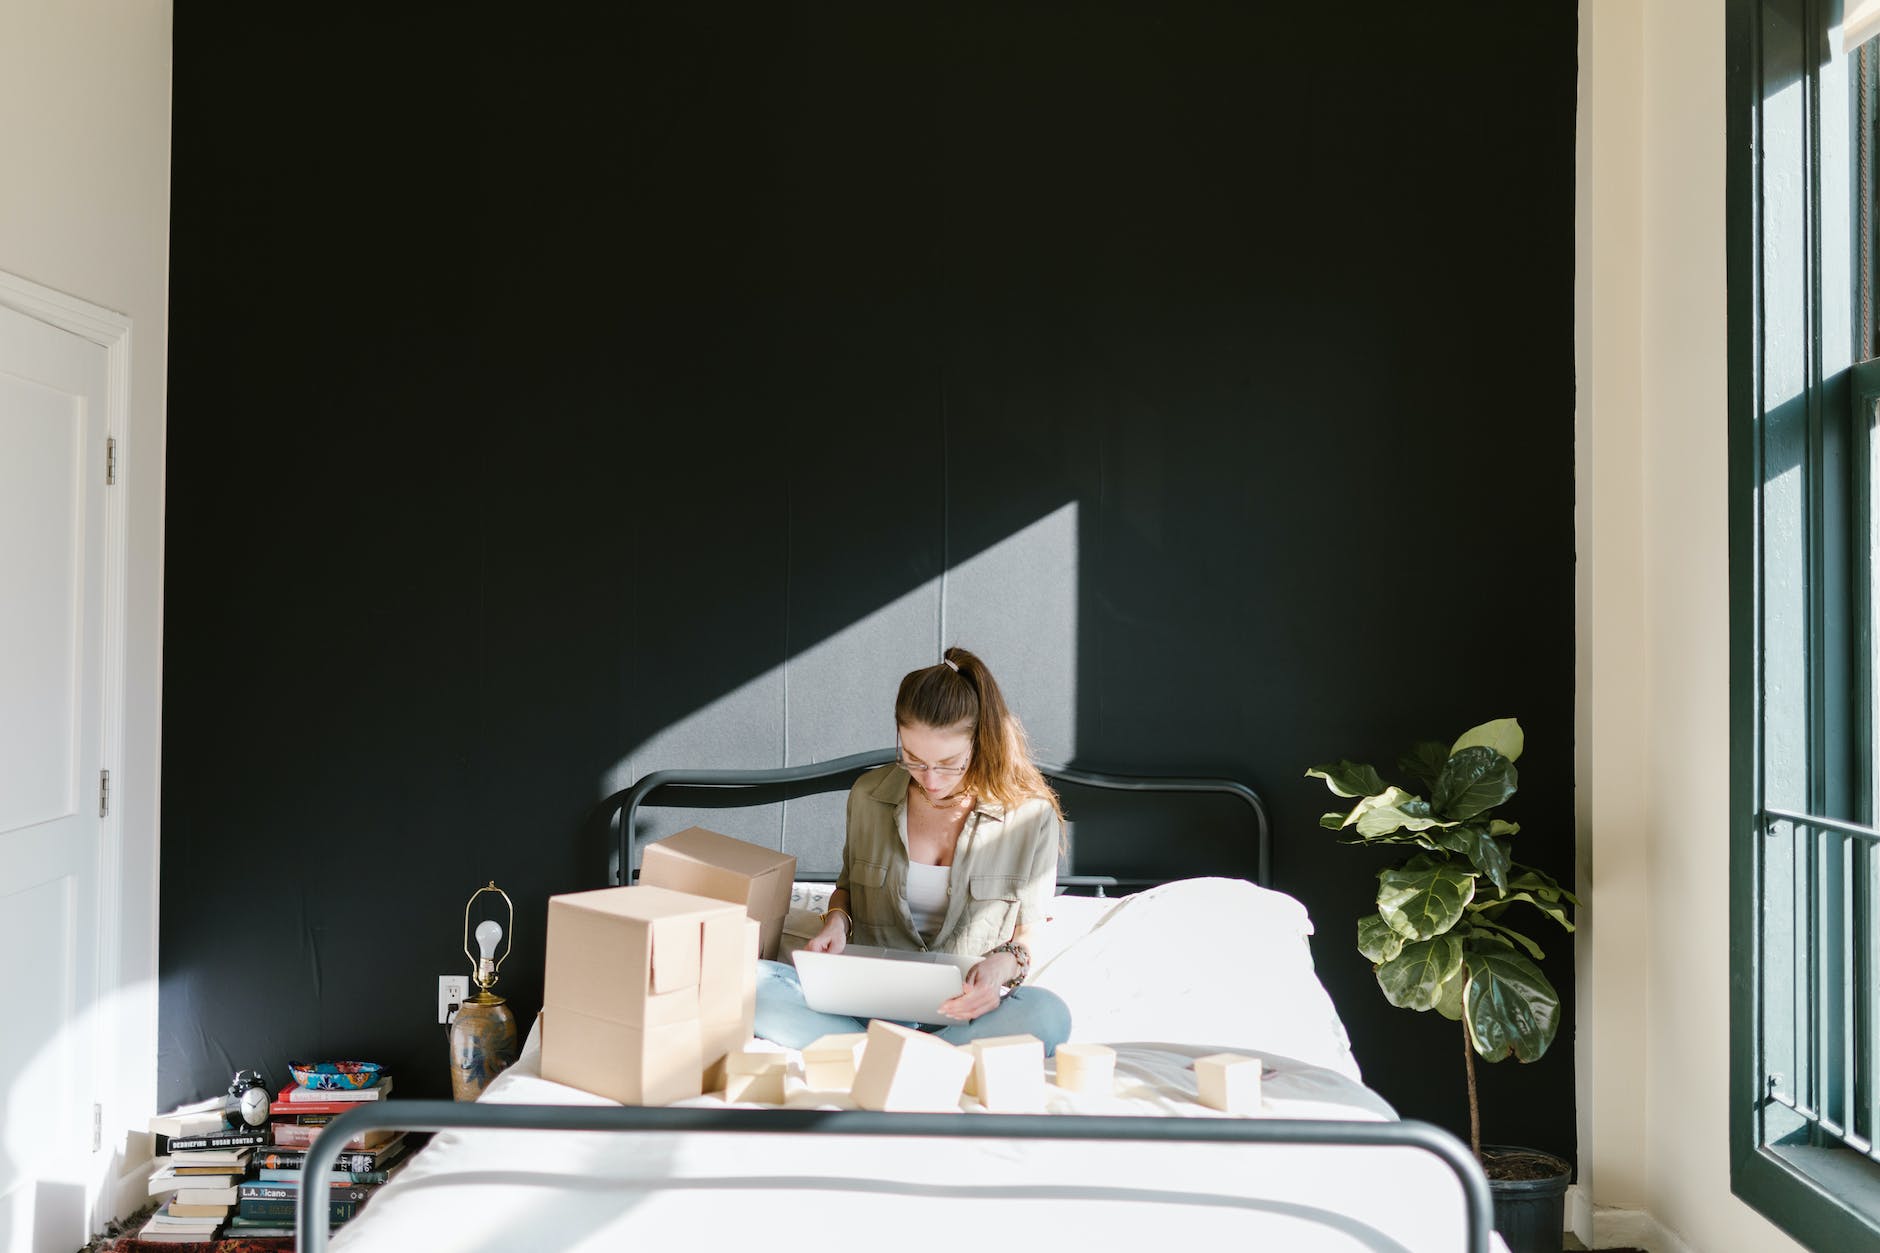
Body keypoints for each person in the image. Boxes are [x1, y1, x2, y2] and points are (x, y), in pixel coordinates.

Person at [754, 646, 1073, 1055]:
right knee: (750, 984)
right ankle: (915, 1057)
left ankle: (870, 1055)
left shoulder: (1030, 816)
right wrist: (836, 923)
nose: (931, 778)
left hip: (964, 1013)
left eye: (950, 762)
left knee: (1049, 1016)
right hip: (868, 1005)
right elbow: (847, 891)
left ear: (981, 742)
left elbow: (1030, 935)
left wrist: (1001, 968)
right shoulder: (868, 796)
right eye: (913, 758)